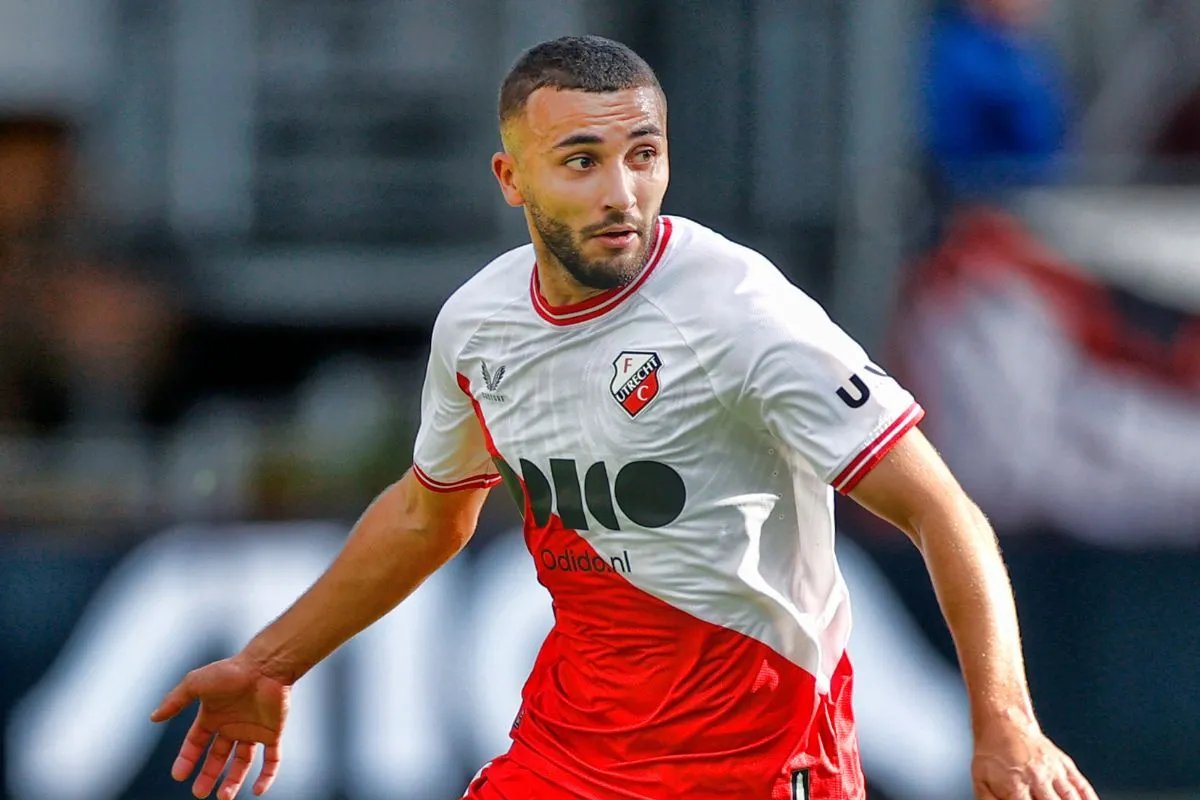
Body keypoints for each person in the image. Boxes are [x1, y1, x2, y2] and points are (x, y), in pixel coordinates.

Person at [151, 35, 1098, 800]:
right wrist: (270, 663)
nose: (620, 193)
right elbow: (424, 515)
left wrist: (1006, 720)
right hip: (565, 759)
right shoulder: (480, 326)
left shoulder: (740, 312)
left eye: (643, 155)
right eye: (581, 161)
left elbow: (941, 510)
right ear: (511, 178)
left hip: (753, 768)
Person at [922, 0, 1070, 197]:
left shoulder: (1027, 51)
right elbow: (954, 142)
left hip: (1033, 188)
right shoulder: (963, 53)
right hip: (982, 193)